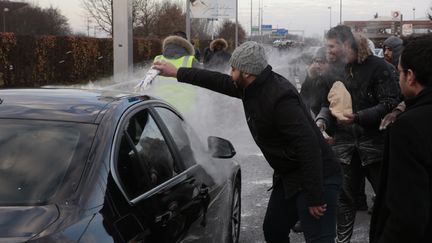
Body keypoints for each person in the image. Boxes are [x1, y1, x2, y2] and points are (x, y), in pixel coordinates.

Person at [153, 41, 342, 243]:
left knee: (318, 239)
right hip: (290, 175)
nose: (230, 73)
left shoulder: (280, 98)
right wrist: (176, 73)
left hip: (318, 176)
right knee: (274, 229)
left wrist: (315, 197)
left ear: (248, 73)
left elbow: (309, 147)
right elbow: (217, 80)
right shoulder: (250, 86)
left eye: (233, 69)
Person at [318, 26, 399, 243]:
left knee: (386, 199)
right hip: (344, 147)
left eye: (332, 46)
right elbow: (328, 104)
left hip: (376, 146)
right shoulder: (334, 70)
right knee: (344, 200)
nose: (328, 51)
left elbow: (390, 102)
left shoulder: (378, 67)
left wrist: (358, 116)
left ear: (346, 44)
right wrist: (322, 120)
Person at [370, 33, 432, 243]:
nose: (399, 79)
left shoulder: (408, 127)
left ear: (411, 76)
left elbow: (407, 214)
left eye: (400, 73)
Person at [151, 35, 201, 114]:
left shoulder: (158, 59)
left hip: (160, 106)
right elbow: (202, 85)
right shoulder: (191, 60)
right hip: (185, 108)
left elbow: (149, 82)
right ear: (186, 48)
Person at [379, 36, 405, 130]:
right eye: (385, 49)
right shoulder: (380, 67)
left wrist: (398, 110)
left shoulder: (405, 69)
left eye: (390, 50)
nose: (386, 53)